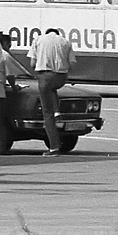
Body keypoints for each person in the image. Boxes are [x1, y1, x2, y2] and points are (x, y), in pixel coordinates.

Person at [29, 28, 75, 156]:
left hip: (45, 76)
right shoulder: (65, 42)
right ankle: (57, 111)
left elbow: (32, 63)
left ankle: (54, 147)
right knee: (52, 89)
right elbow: (72, 64)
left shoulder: (38, 40)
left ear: (46, 32)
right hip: (61, 77)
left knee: (46, 113)